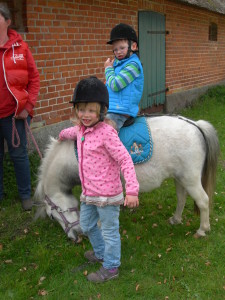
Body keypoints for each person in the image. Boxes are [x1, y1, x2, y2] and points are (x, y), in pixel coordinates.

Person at [59, 76, 139, 283]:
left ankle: (111, 267)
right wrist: (61, 135)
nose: (85, 115)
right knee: (86, 225)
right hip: (89, 193)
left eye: (91, 110)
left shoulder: (107, 134)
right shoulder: (80, 130)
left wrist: (131, 190)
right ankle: (101, 252)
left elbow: (125, 159)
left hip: (108, 196)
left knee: (110, 232)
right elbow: (71, 132)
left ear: (101, 112)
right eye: (81, 109)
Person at [0, 3, 40, 210]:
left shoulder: (21, 48)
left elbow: (34, 78)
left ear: (7, 21)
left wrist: (28, 106)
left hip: (15, 115)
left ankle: (25, 195)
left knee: (18, 155)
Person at [104, 23, 144, 131]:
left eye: (122, 48)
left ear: (133, 46)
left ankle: (115, 148)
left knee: (104, 131)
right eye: (115, 49)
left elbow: (115, 85)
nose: (118, 52)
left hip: (121, 112)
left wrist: (108, 69)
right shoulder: (119, 65)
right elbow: (108, 85)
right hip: (113, 108)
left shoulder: (133, 65)